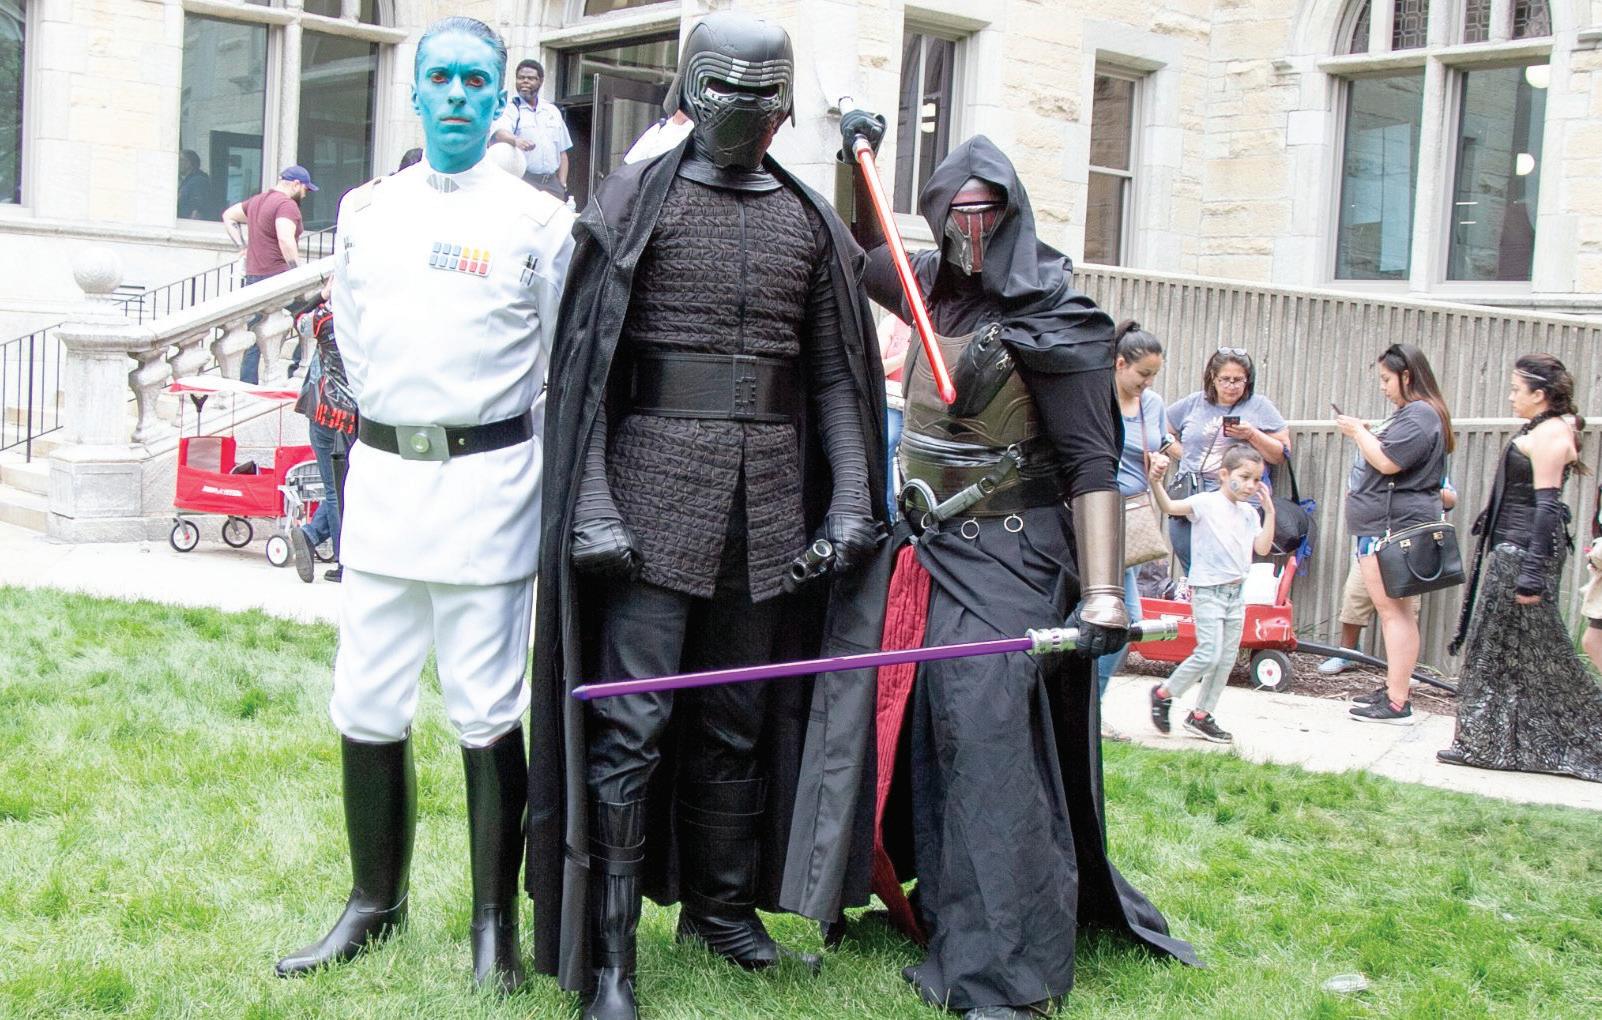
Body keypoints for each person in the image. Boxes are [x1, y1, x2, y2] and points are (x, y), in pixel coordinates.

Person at [785, 125, 1197, 1018]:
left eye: (987, 213)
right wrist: (855, 156)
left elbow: (1091, 461)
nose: (970, 230)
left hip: (1016, 552)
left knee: (986, 740)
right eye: (955, 213)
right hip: (932, 547)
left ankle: (1005, 970)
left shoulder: (1059, 316)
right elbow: (862, 247)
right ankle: (949, 914)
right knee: (931, 730)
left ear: (1013, 215)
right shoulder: (929, 287)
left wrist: (1101, 593)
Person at [524, 15, 885, 1020]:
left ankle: (722, 910)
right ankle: (610, 958)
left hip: (766, 510)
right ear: (689, 87)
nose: (746, 111)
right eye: (727, 88)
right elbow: (590, 372)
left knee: (736, 719)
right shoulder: (636, 201)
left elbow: (835, 376)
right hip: (648, 502)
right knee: (631, 726)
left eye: (767, 95)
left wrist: (851, 499)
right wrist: (592, 504)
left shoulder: (809, 222)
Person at [273, 17, 576, 991]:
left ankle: (494, 925)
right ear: (414, 91)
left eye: (474, 81)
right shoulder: (367, 211)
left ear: (500, 100)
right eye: (439, 77)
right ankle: (374, 900)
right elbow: (358, 345)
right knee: (366, 696)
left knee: (486, 707)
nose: (455, 95)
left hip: (487, 489)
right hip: (386, 483)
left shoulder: (538, 222)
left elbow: (559, 361)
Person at [1438, 354, 1602, 781]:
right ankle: (1493, 745)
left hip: (1521, 555)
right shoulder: (1549, 426)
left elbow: (1546, 507)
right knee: (1509, 653)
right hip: (1516, 550)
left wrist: (1530, 575)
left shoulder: (1549, 433)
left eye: (1517, 389)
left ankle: (1486, 743)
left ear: (1540, 394)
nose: (1511, 396)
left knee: (1524, 653)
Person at [1337, 344, 1455, 724]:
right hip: (1390, 524)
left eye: (1387, 379)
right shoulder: (1420, 413)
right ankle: (1394, 691)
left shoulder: (1420, 414)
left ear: (1407, 376)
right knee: (1398, 613)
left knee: (1394, 614)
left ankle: (1397, 702)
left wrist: (1358, 431)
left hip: (1392, 527)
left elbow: (1388, 462)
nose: (1383, 387)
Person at [1147, 446, 1276, 743]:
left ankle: (1201, 715)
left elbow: (1262, 547)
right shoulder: (1206, 502)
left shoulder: (1249, 512)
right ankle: (1163, 693)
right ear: (1224, 474)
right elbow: (1169, 507)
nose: (1250, 485)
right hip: (1208, 591)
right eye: (1245, 477)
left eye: (1257, 480)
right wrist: (1155, 482)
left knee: (1225, 660)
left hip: (1236, 595)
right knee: (1209, 654)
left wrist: (1269, 512)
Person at [1096, 321, 1175, 715]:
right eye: (1143, 373)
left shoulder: (1152, 404)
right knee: (1119, 618)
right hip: (1099, 518)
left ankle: (1091, 708)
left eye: (1154, 375)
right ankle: (1089, 710)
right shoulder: (1097, 395)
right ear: (1120, 363)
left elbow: (1158, 448)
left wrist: (1157, 463)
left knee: (1121, 623)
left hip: (1133, 518)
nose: (1148, 382)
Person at [1317, 469, 1455, 675]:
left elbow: (1450, 500)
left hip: (1409, 550)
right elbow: (1352, 496)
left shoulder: (1426, 469)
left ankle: (1403, 667)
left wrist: (1419, 492)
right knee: (1354, 600)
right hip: (1371, 545)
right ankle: (1346, 652)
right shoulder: (1368, 468)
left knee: (1407, 611)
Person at [1164, 349, 1289, 570]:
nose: (1231, 386)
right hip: (1191, 493)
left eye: (1238, 380)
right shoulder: (1194, 402)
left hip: (1236, 499)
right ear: (1213, 377)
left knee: (1228, 566)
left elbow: (1281, 453)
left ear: (1248, 380)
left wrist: (1252, 434)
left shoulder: (1259, 406)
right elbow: (1161, 431)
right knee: (1191, 565)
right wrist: (1184, 455)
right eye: (1225, 379)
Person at [222, 165, 317, 383]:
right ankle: (298, 368)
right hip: (278, 276)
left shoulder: (257, 201)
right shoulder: (286, 205)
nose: (305, 195)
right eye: (305, 190)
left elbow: (228, 216)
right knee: (309, 316)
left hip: (254, 276)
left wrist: (242, 247)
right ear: (296, 184)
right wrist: (298, 273)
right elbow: (285, 239)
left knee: (255, 333)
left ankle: (247, 383)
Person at [491, 58, 572, 199]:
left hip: (552, 185)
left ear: (541, 81)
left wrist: (562, 184)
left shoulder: (552, 111)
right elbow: (498, 133)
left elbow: (563, 153)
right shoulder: (510, 108)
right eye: (521, 78)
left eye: (530, 78)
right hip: (523, 181)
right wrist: (516, 140)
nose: (525, 81)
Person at [876, 313, 911, 517]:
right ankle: (888, 512)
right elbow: (876, 368)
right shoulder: (891, 323)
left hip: (921, 403)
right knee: (887, 442)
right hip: (893, 402)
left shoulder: (936, 321)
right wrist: (903, 358)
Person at [177, 149, 214, 220]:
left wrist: (191, 224)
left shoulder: (198, 181)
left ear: (189, 163)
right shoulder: (187, 181)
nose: (178, 163)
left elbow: (197, 207)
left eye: (181, 160)